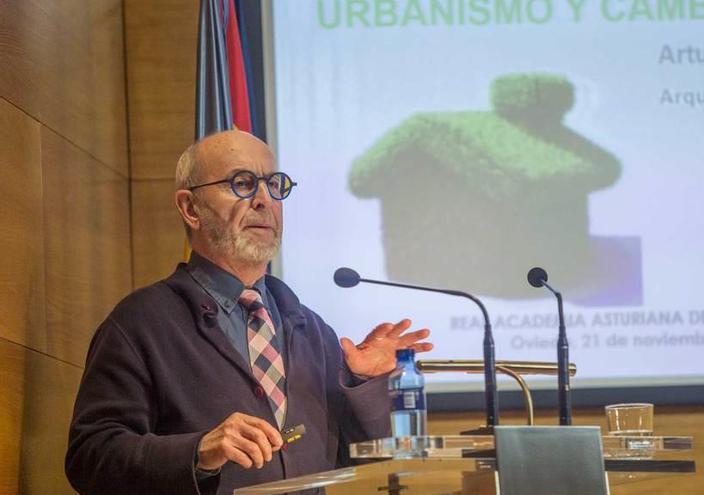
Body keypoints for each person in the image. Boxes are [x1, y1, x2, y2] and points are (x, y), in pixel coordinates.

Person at [65, 130, 432, 495]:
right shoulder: (141, 323)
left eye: (274, 185)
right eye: (241, 183)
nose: (263, 200)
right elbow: (90, 458)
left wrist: (360, 385)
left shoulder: (312, 331)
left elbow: (359, 462)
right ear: (190, 208)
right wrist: (197, 452)